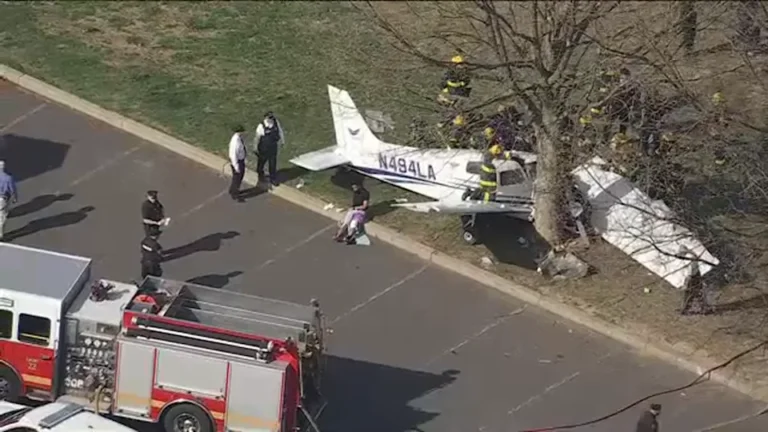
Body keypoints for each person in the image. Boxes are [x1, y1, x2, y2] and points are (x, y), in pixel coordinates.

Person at [254, 112, 285, 186]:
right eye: (269, 118)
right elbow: (257, 138)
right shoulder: (261, 126)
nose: (271, 119)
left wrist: (282, 141)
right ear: (265, 118)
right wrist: (255, 147)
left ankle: (273, 178)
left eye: (271, 117)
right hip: (264, 147)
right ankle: (260, 175)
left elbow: (280, 131)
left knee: (273, 163)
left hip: (273, 147)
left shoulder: (276, 122)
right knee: (261, 163)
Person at [228, 124, 247, 201]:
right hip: (237, 162)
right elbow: (233, 155)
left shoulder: (238, 138)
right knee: (237, 178)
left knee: (237, 178)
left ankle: (232, 190)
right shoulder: (235, 142)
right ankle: (235, 194)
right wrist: (236, 167)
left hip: (240, 161)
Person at [0, 161, 18, 242]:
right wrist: (15, 197)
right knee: (2, 217)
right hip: (2, 199)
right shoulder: (8, 178)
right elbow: (12, 189)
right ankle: (0, 235)